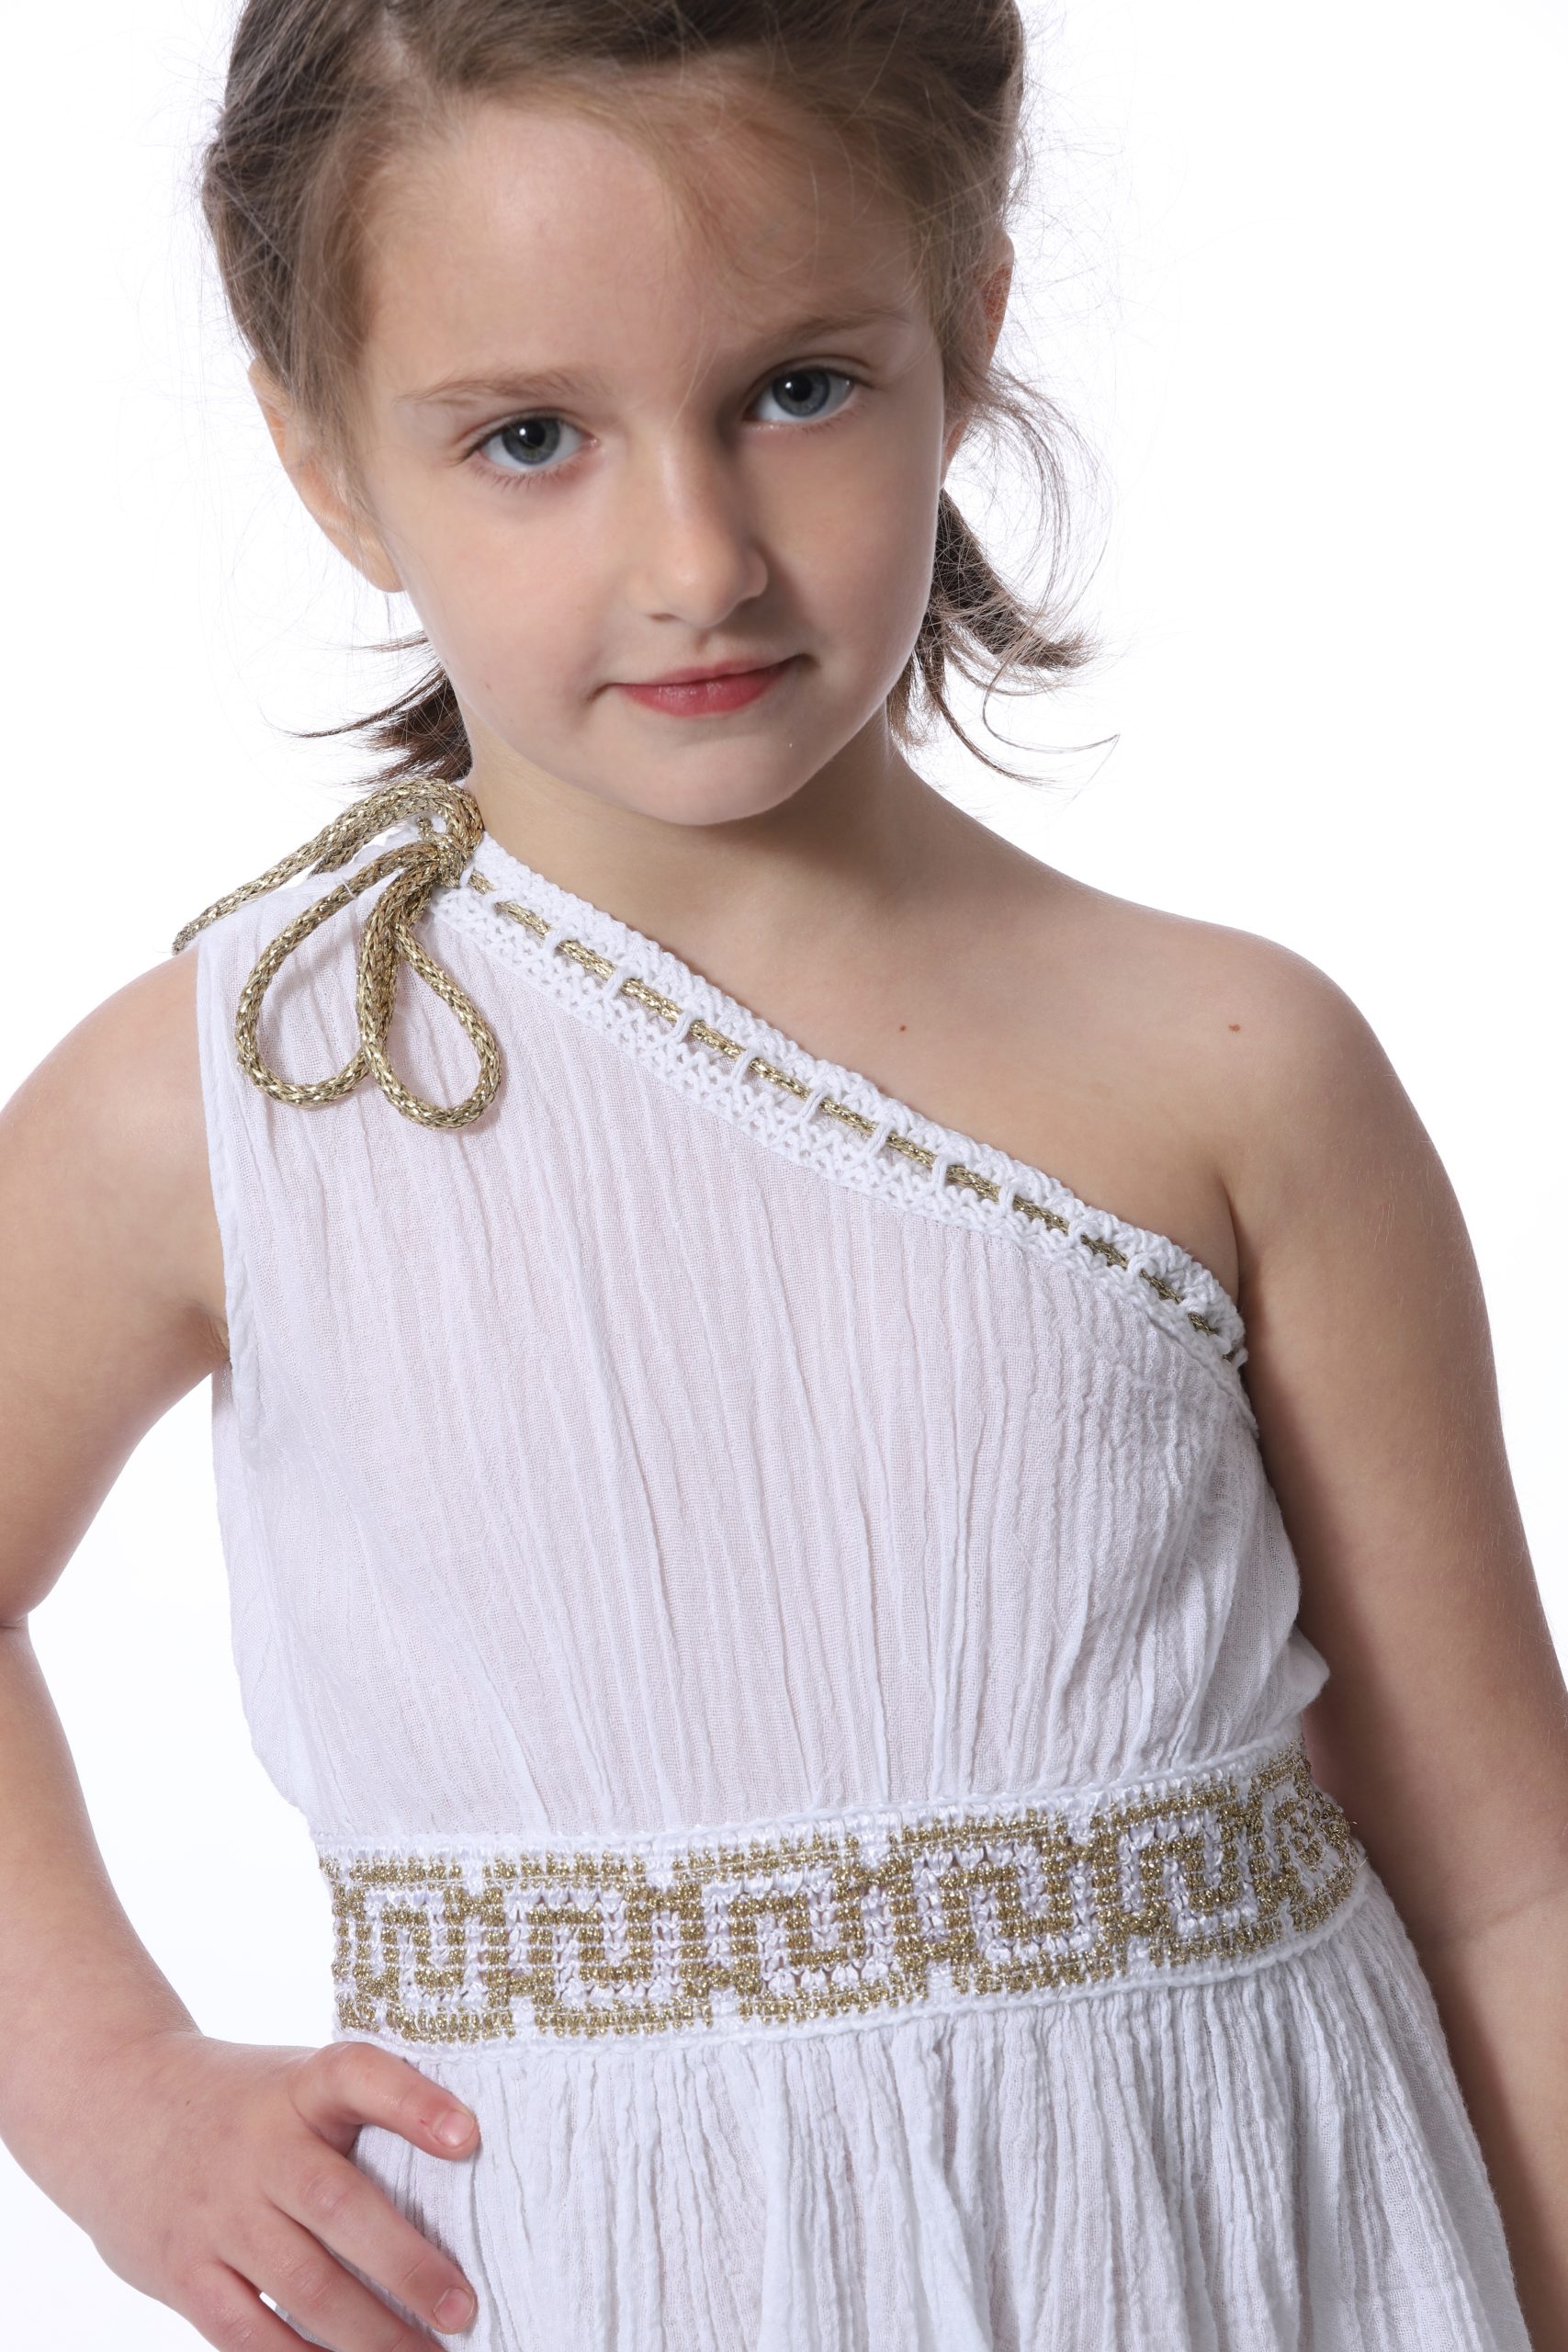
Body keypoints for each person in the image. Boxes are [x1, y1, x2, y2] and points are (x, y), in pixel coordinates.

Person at [1, 1, 1563, 2345]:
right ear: (323, 457)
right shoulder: (231, 1097)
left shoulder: (1237, 1069)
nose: (695, 556)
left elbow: (1505, 1880)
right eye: (529, 437)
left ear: (966, 329)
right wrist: (106, 2091)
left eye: (798, 389)